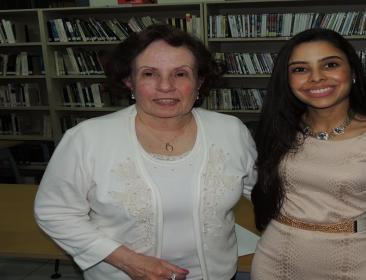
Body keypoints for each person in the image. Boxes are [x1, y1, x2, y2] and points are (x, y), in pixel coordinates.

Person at [34, 24, 257, 280]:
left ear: (200, 81)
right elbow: (54, 211)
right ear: (130, 81)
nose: (166, 86)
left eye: (181, 74)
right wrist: (130, 263)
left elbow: (263, 191)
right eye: (149, 73)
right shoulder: (87, 139)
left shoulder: (230, 131)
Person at [250, 28, 366, 279]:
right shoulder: (279, 129)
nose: (316, 77)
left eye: (330, 64)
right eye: (300, 69)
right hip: (274, 260)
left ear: (353, 72)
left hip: (350, 264)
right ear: (287, 81)